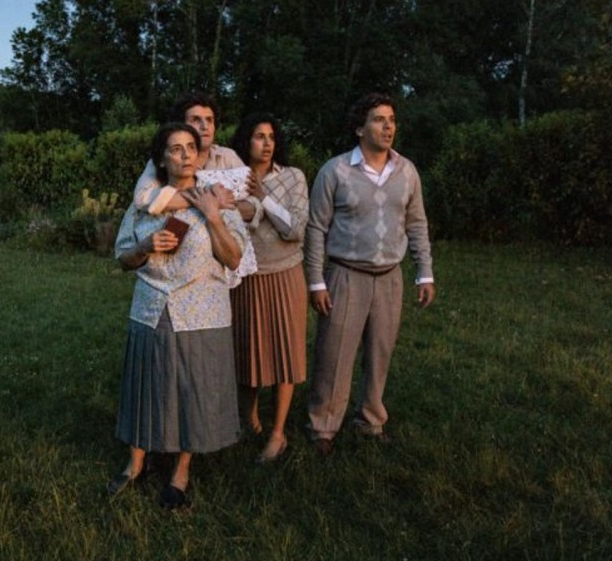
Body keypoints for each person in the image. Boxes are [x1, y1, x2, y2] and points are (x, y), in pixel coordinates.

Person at [108, 122, 249, 509]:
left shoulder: (217, 198)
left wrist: (214, 216)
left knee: (193, 386)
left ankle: (181, 471)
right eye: (175, 148)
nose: (185, 154)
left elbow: (234, 258)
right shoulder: (145, 203)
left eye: (191, 147)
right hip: (152, 304)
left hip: (202, 309)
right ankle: (135, 462)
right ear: (162, 158)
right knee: (145, 381)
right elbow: (123, 257)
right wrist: (146, 244)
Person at [304, 92, 435, 457]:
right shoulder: (336, 171)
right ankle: (323, 426)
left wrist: (424, 273)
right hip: (345, 274)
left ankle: (371, 420)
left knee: (380, 351)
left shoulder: (406, 171)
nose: (388, 126)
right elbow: (316, 228)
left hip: (390, 276)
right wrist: (316, 280)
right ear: (360, 128)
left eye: (391, 119)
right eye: (379, 119)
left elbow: (417, 223)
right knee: (334, 354)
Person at [228, 113, 309, 462]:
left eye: (272, 136)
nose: (266, 143)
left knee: (284, 353)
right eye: (259, 136)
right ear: (246, 141)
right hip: (245, 276)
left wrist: (263, 199)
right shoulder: (233, 179)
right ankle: (250, 419)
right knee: (247, 352)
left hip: (285, 273)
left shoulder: (292, 177)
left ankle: (278, 433)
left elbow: (295, 229)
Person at [133, 91, 244, 215]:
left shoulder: (228, 157)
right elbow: (142, 199)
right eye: (196, 120)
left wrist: (176, 200)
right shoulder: (163, 161)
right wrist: (211, 200)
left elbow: (254, 205)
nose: (205, 126)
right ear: (181, 125)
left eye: (209, 120)